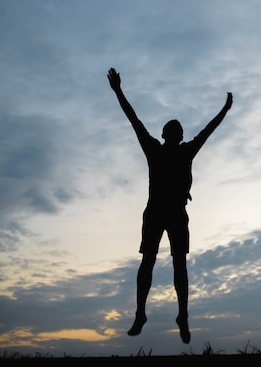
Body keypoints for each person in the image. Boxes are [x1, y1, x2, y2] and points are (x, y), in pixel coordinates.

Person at [107, 68, 233, 344]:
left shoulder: (175, 149)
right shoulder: (163, 149)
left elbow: (135, 119)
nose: (173, 132)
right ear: (168, 134)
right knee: (154, 263)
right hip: (160, 212)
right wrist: (118, 91)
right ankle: (145, 313)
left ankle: (180, 316)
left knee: (174, 265)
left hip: (172, 213)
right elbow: (134, 119)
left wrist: (225, 110)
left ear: (169, 135)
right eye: (172, 129)